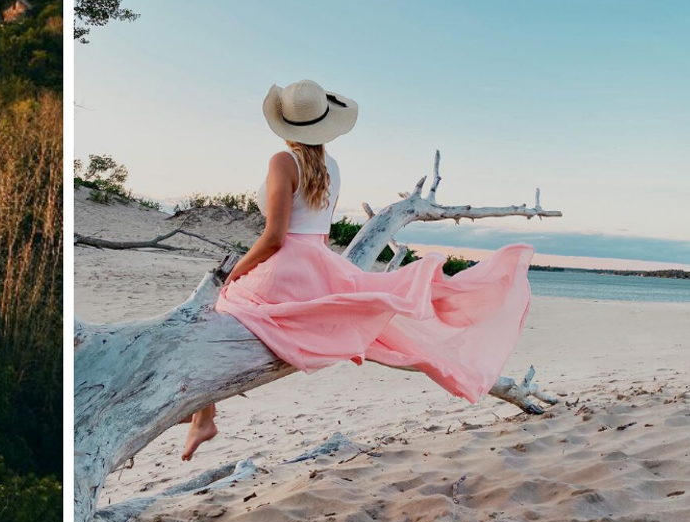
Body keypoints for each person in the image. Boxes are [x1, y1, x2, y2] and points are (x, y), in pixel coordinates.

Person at [180, 80, 533, 461]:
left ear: (284, 124)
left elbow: (275, 238)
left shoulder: (283, 161)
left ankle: (205, 416)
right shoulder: (330, 166)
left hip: (286, 266)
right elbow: (324, 231)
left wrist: (235, 274)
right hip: (318, 261)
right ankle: (203, 415)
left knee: (220, 305)